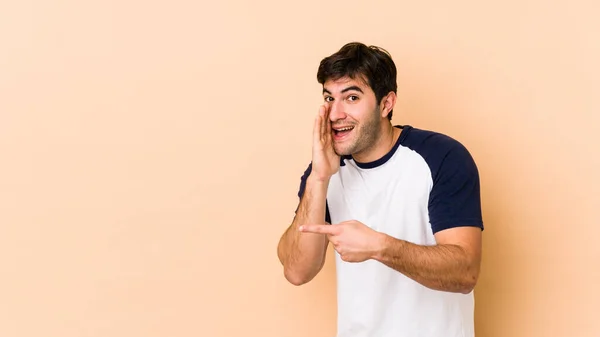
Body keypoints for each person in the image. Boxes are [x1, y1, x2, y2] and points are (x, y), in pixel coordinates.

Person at [276, 42, 484, 337]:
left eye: (351, 97)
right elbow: (297, 271)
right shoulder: (324, 171)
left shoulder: (441, 157)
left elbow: (465, 273)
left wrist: (380, 247)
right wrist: (319, 178)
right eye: (329, 98)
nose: (335, 114)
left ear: (386, 104)